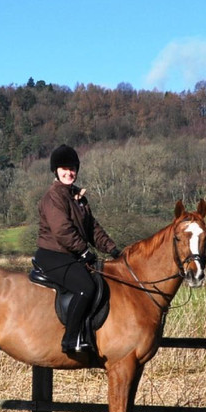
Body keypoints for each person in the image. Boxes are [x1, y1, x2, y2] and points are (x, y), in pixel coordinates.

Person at [35, 143, 121, 353]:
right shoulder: (54, 196)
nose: (69, 172)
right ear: (56, 171)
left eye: (72, 168)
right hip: (54, 255)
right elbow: (62, 230)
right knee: (86, 287)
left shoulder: (78, 197)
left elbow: (92, 228)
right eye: (64, 169)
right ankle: (70, 339)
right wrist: (84, 251)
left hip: (70, 254)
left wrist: (114, 249)